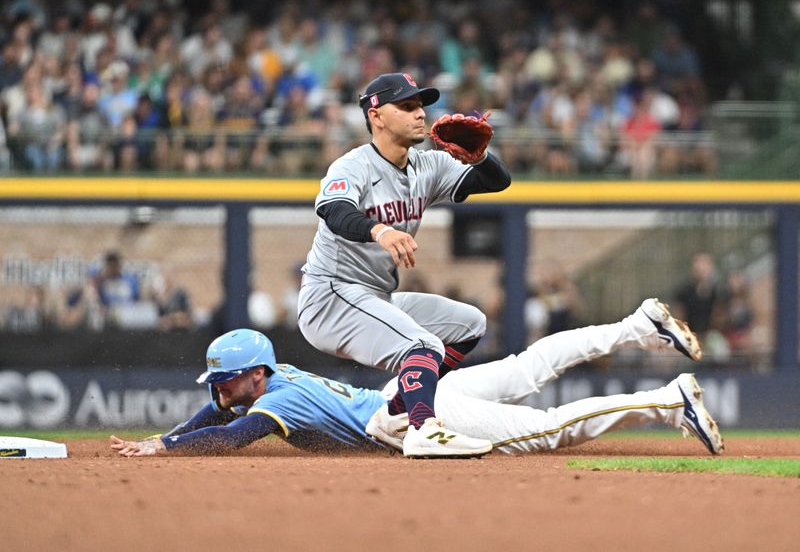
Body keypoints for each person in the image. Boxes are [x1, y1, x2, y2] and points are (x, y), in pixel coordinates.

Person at [110, 298, 723, 459]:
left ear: (250, 377)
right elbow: (217, 417)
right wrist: (171, 435)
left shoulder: (283, 399)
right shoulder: (276, 376)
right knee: (527, 366)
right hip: (415, 394)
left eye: (222, 382)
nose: (216, 393)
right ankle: (637, 326)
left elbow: (230, 436)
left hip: (410, 419)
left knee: (548, 431)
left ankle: (668, 402)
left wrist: (165, 446)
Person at [294, 72, 512, 457]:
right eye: (407, 106)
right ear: (376, 116)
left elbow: (497, 182)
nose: (420, 114)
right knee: (423, 343)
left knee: (469, 325)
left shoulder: (428, 165)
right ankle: (423, 427)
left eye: (420, 105)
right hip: (329, 296)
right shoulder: (353, 165)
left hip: (374, 296)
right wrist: (380, 230)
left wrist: (481, 159)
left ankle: (393, 416)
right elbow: (335, 211)